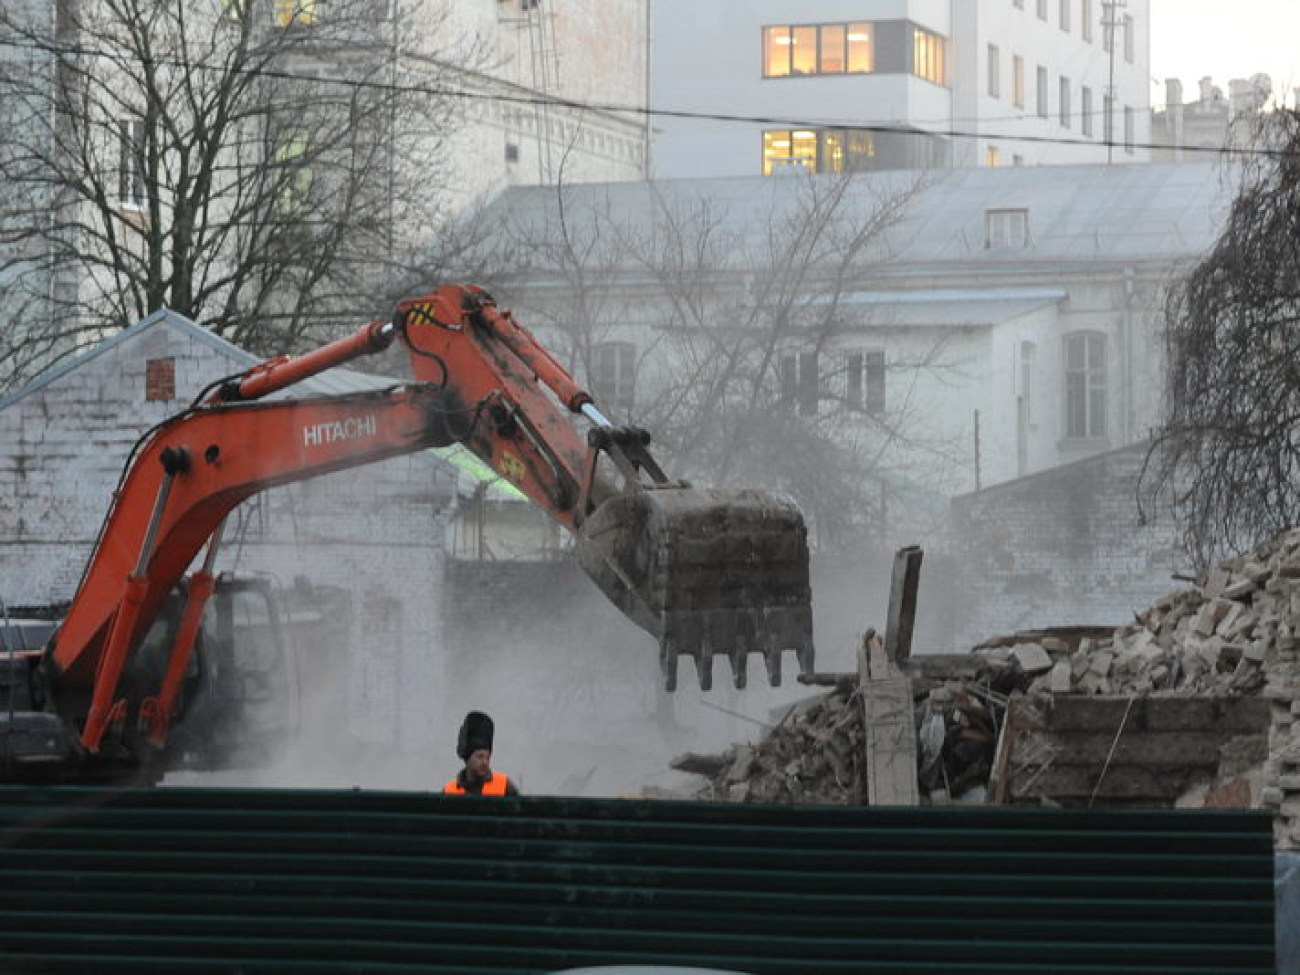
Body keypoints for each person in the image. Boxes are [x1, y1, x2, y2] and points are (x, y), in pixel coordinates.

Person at [442, 710, 519, 796]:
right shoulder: (449, 791)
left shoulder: (504, 785)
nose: (485, 762)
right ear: (468, 758)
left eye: (487, 757)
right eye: (480, 757)